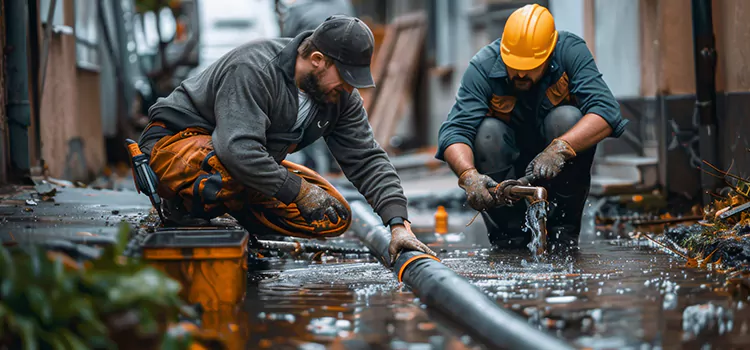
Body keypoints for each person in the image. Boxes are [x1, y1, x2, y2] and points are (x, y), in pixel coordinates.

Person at [138, 15, 435, 263]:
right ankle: (179, 205)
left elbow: (366, 158)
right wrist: (297, 191)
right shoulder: (254, 68)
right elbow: (237, 148)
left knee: (332, 215)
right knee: (232, 170)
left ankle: (232, 210)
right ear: (317, 59)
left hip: (236, 160)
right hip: (176, 143)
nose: (347, 89)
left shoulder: (339, 97)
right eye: (344, 78)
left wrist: (399, 225)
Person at [435, 4, 629, 249]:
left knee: (567, 117)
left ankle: (563, 234)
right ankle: (509, 238)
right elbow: (455, 132)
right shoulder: (482, 66)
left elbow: (606, 111)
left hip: (558, 166)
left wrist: (561, 148)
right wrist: (468, 175)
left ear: (548, 56)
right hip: (506, 164)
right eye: (514, 66)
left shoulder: (570, 51)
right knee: (487, 134)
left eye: (530, 68)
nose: (520, 74)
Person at [277, 0, 356, 175]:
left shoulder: (298, 9)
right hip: (336, 72)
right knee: (327, 122)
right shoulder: (343, 5)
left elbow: (285, 43)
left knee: (308, 124)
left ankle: (312, 171)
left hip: (310, 76)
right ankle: (326, 168)